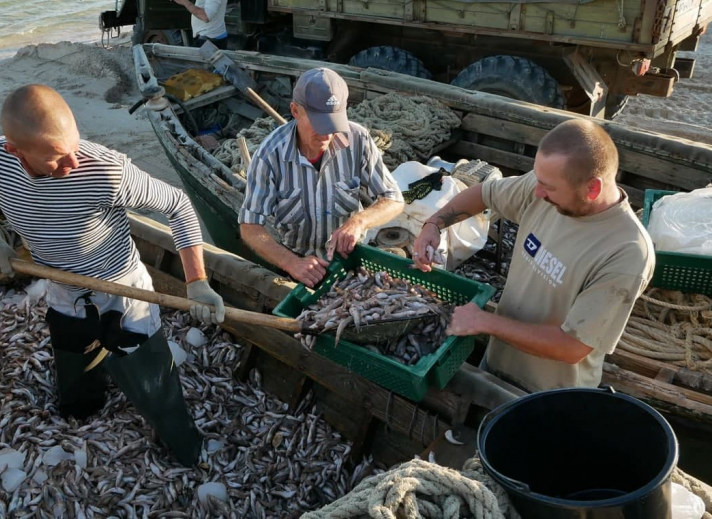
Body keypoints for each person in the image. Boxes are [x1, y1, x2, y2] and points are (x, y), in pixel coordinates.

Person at [0, 84, 225, 466]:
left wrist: (197, 282)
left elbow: (177, 205)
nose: (72, 163)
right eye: (56, 158)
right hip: (63, 289)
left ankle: (186, 449)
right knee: (73, 368)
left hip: (123, 293)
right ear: (16, 151)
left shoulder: (107, 172)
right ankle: (82, 408)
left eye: (73, 148)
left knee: (154, 383)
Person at [412, 119, 655, 392]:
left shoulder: (628, 253)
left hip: (549, 395)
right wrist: (434, 224)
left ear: (593, 189)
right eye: (538, 181)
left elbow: (572, 347)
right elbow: (485, 193)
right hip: (495, 367)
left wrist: (486, 321)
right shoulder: (542, 189)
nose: (538, 192)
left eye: (549, 187)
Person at [238, 68, 405, 287]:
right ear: (295, 111)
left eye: (333, 124)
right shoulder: (269, 156)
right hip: (299, 263)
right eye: (319, 124)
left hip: (350, 259)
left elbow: (394, 199)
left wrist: (359, 222)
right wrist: (291, 263)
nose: (327, 134)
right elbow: (250, 226)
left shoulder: (358, 140)